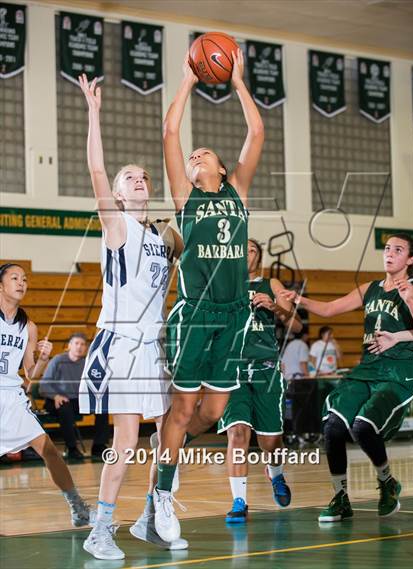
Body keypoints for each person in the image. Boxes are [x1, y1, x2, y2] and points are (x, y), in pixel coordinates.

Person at [154, 48, 265, 543]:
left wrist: (238, 81)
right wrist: (188, 81)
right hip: (196, 312)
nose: (195, 156)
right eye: (192, 157)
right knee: (182, 410)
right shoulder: (187, 196)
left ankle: (169, 446)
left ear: (221, 169)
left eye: (205, 155)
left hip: (234, 313)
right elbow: (170, 133)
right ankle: (162, 486)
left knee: (214, 412)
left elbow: (256, 134)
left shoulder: (236, 191)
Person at [77, 74, 185, 561]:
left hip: (154, 345)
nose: (139, 180)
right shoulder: (117, 225)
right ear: (119, 196)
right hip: (121, 345)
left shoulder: (165, 237)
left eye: (144, 176)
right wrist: (94, 114)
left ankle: (147, 517)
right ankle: (100, 528)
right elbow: (97, 170)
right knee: (125, 439)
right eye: (130, 178)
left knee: (168, 434)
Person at [280, 234, 413, 521]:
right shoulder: (370, 288)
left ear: (411, 259)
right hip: (368, 367)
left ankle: (387, 482)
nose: (390, 253)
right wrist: (299, 299)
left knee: (363, 426)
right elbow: (331, 309)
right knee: (332, 423)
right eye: (388, 249)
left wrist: (406, 311)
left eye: (398, 250)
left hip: (398, 371)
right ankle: (340, 497)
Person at [0, 263, 92, 527]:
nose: (21, 282)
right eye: (14, 278)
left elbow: (31, 374)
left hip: (11, 396)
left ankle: (77, 506)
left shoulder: (28, 327)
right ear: (1, 285)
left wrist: (43, 357)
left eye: (25, 279)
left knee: (49, 450)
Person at [217, 238, 302, 522]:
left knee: (270, 443)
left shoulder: (271, 284)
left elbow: (297, 324)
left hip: (266, 371)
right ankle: (239, 501)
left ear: (259, 257)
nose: (245, 253)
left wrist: (274, 307)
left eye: (251, 249)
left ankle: (275, 473)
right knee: (238, 434)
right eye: (240, 249)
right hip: (234, 371)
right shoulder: (225, 285)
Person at [40, 332, 109, 458]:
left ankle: (99, 446)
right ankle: (72, 448)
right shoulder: (58, 360)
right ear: (69, 346)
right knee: (65, 408)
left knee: (102, 408)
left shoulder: (86, 363)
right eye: (76, 343)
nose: (79, 347)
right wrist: (56, 396)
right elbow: (43, 386)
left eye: (83, 344)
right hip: (56, 400)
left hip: (77, 401)